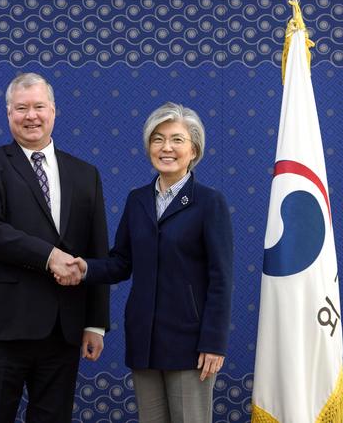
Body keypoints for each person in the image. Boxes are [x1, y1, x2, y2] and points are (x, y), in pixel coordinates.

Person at [57, 102, 234, 423]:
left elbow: (221, 279)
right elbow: (122, 262)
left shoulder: (210, 203)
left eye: (177, 140)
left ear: (194, 150)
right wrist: (86, 268)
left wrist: (214, 343)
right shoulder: (137, 199)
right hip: (144, 340)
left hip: (191, 346)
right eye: (157, 139)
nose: (166, 147)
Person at [0, 72, 110, 422]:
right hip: (2, 327)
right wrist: (49, 257)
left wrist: (96, 323)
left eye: (39, 107)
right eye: (21, 108)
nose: (32, 116)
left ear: (54, 111)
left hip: (64, 329)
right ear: (9, 114)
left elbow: (97, 249)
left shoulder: (85, 173)